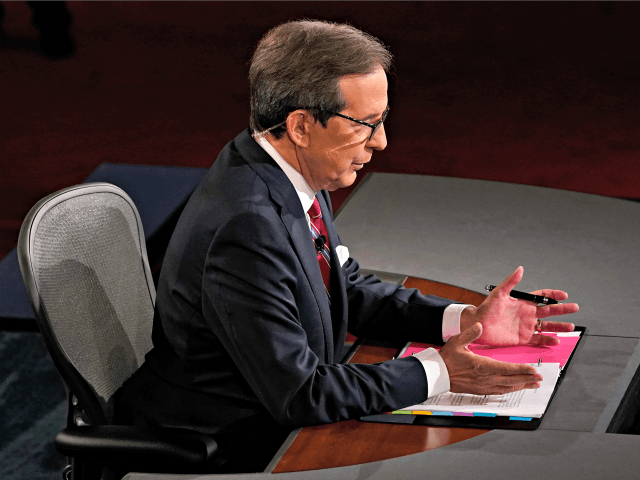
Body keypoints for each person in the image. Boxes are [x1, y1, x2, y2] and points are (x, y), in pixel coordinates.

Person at [116, 20, 579, 473]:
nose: (380, 142)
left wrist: (464, 319)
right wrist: (438, 372)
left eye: (382, 120)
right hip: (236, 441)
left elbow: (344, 287)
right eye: (365, 123)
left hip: (283, 408)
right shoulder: (246, 227)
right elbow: (300, 394)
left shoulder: (283, 165)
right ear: (300, 125)